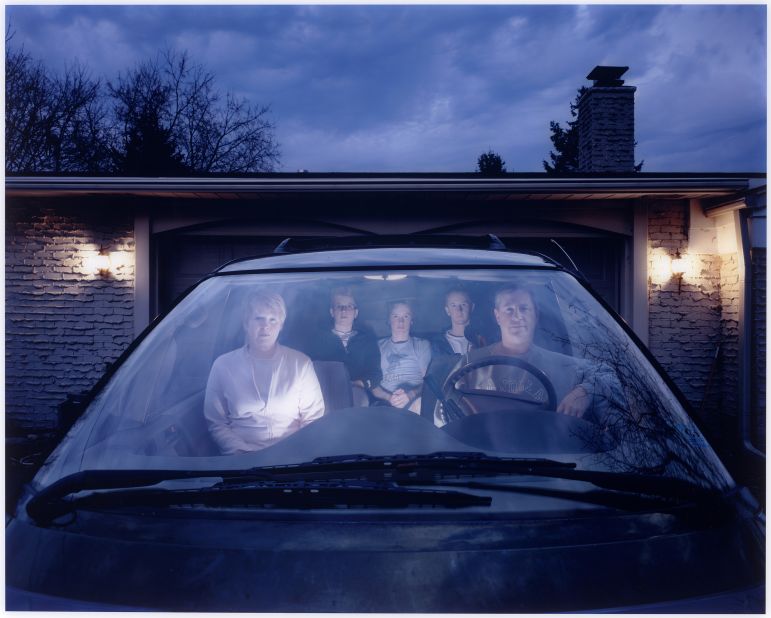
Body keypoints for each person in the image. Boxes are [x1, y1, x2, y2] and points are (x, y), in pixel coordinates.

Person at [435, 284, 621, 426]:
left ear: (535, 314)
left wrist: (585, 391)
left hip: (548, 464)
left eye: (524, 308)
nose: (517, 317)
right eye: (509, 310)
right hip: (484, 463)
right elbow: (443, 415)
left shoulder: (563, 366)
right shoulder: (470, 363)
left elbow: (609, 376)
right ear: (497, 316)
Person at [204, 290, 325, 455]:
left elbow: (313, 419)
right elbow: (216, 423)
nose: (265, 326)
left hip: (293, 458)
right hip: (240, 459)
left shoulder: (301, 363)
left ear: (281, 325)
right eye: (258, 318)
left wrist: (295, 453)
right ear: (246, 323)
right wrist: (242, 452)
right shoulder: (223, 365)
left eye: (273, 319)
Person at [303, 286, 382, 395]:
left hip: (358, 394)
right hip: (326, 393)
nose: (344, 310)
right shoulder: (318, 339)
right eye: (339, 306)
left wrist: (358, 384)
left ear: (356, 313)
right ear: (332, 312)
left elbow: (376, 375)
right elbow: (309, 370)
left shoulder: (367, 340)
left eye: (349, 306)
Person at [371, 299, 431, 413]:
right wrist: (389, 398)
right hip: (385, 402)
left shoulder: (422, 345)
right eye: (395, 316)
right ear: (389, 320)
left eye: (406, 317)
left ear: (411, 320)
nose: (401, 322)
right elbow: (372, 385)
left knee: (419, 406)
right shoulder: (378, 346)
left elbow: (429, 382)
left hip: (416, 400)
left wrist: (410, 395)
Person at [429, 288, 487, 356]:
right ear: (447, 310)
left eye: (463, 304)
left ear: (472, 307)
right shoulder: (437, 344)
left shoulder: (482, 339)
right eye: (453, 305)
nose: (459, 310)